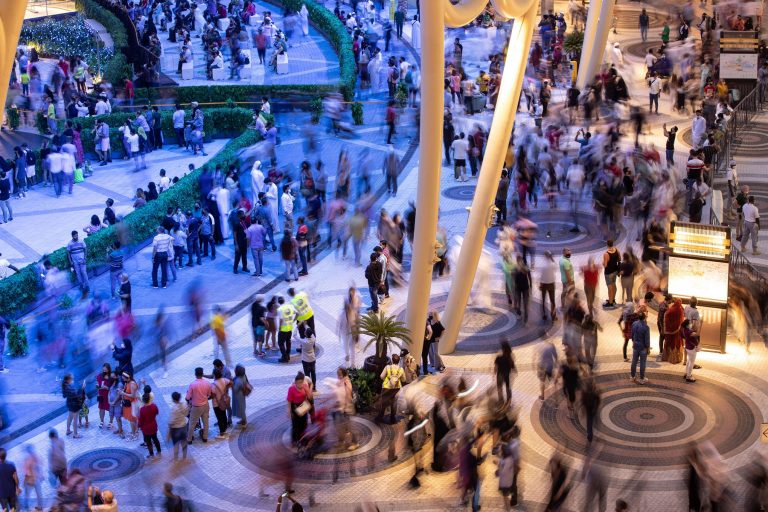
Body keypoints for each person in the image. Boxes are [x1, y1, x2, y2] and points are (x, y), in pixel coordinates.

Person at [186, 367, 212, 443]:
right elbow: (209, 394)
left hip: (196, 407)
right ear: (202, 374)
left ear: (195, 374)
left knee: (192, 423)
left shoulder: (192, 385)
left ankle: (189, 439)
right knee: (206, 423)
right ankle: (205, 438)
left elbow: (187, 397)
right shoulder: (207, 383)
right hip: (205, 405)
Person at [377, 354, 404, 424]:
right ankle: (392, 417)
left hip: (386, 387)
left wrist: (387, 379)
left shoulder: (387, 367)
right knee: (394, 403)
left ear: (392, 360)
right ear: (398, 361)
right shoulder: (401, 369)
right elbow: (404, 379)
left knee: (383, 402)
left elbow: (381, 376)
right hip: (396, 388)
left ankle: (380, 416)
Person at [287, 372, 312, 445]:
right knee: (295, 425)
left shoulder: (305, 386)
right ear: (295, 382)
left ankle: (303, 438)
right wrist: (289, 411)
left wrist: (308, 391)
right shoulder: (291, 389)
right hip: (295, 407)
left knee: (304, 423)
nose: (299, 384)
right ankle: (294, 440)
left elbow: (310, 397)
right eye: (298, 383)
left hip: (303, 406)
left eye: (301, 382)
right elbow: (289, 400)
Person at [138, 393, 161, 459]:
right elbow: (157, 412)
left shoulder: (142, 409)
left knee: (148, 442)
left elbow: (141, 420)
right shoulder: (154, 406)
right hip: (153, 425)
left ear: (143, 400)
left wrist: (139, 426)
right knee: (155, 439)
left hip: (146, 428)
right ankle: (159, 451)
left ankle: (151, 454)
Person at [211, 367, 232, 439]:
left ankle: (221, 433)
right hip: (224, 401)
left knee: (219, 418)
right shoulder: (224, 380)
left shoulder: (213, 384)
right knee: (224, 415)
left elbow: (213, 395)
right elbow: (231, 383)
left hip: (216, 404)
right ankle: (225, 429)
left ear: (214, 375)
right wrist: (226, 389)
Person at [167, 391, 189, 460]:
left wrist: (168, 433)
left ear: (173, 399)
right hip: (184, 426)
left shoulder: (174, 409)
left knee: (176, 444)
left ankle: (176, 458)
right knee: (184, 443)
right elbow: (186, 414)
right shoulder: (184, 405)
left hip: (176, 429)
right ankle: (184, 457)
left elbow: (171, 421)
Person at [62, 373, 84, 438]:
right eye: (72, 378)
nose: (73, 380)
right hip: (74, 404)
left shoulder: (65, 385)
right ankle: (75, 434)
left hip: (69, 403)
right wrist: (82, 388)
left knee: (70, 416)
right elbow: (76, 395)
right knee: (75, 419)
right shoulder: (68, 387)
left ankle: (68, 430)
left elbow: (64, 395)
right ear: (68, 379)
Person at [630, 312, 650, 384]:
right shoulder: (646, 327)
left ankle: (632, 377)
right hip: (643, 347)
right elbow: (647, 339)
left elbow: (632, 335)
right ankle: (642, 378)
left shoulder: (634, 324)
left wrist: (633, 341)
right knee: (642, 362)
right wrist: (648, 348)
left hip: (635, 346)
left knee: (634, 361)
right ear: (644, 318)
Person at [277, 296, 297, 363]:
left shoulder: (280, 309)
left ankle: (284, 357)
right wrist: (293, 320)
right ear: (284, 301)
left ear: (278, 302)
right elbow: (297, 313)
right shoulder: (290, 306)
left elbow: (281, 319)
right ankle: (288, 355)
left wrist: (280, 327)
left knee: (280, 343)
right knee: (288, 341)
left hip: (283, 329)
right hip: (290, 327)